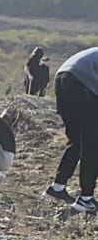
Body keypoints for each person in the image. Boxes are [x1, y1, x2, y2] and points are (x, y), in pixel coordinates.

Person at [45, 46, 98, 215]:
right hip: (81, 82)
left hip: (63, 77)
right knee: (92, 143)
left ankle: (57, 188)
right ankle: (86, 200)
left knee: (77, 139)